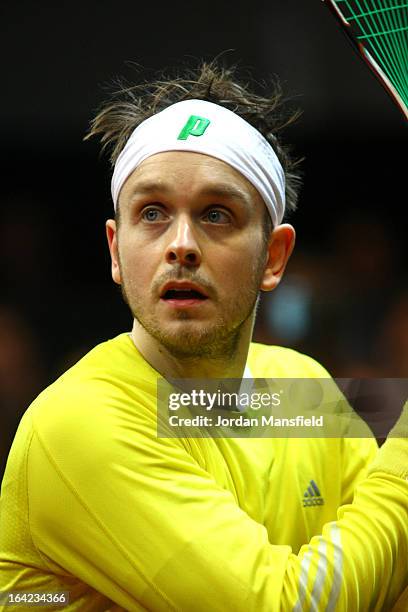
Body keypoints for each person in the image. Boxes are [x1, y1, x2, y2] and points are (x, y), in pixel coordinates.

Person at [0, 61, 407, 611]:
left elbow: (386, 579)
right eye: (152, 213)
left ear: (274, 256)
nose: (182, 244)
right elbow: (282, 605)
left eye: (216, 214)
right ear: (116, 251)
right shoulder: (77, 422)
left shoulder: (302, 391)